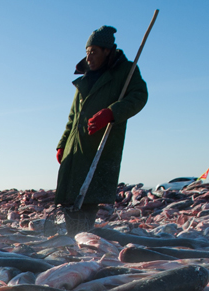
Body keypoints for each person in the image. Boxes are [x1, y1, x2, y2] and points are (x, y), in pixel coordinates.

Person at [55, 25, 149, 234]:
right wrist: (62, 145)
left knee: (87, 198)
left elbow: (139, 96)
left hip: (98, 146)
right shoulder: (85, 77)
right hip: (75, 147)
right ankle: (74, 240)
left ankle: (83, 244)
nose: (88, 57)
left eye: (93, 52)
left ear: (108, 51)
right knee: (68, 198)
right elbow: (73, 117)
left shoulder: (126, 71)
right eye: (87, 52)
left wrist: (111, 112)